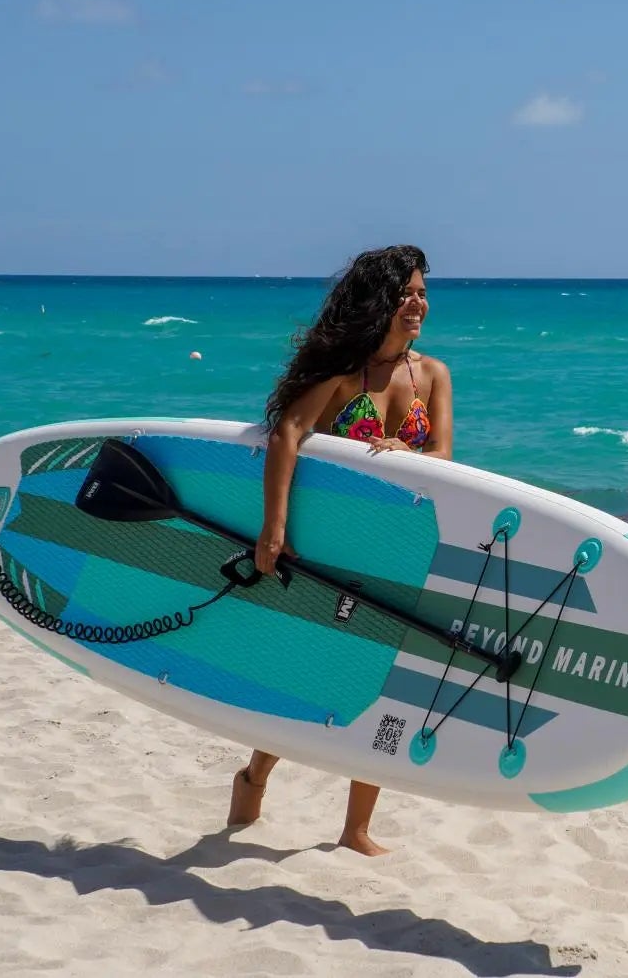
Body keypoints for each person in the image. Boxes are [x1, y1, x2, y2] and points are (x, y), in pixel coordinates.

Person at [226, 244, 455, 854]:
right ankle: (253, 778)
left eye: (422, 293)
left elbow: (444, 461)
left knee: (382, 680)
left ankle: (356, 829)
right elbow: (288, 435)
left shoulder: (431, 374)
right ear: (377, 302)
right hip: (333, 544)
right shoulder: (343, 373)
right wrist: (273, 531)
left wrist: (412, 454)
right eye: (405, 293)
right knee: (308, 668)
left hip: (400, 547)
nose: (417, 304)